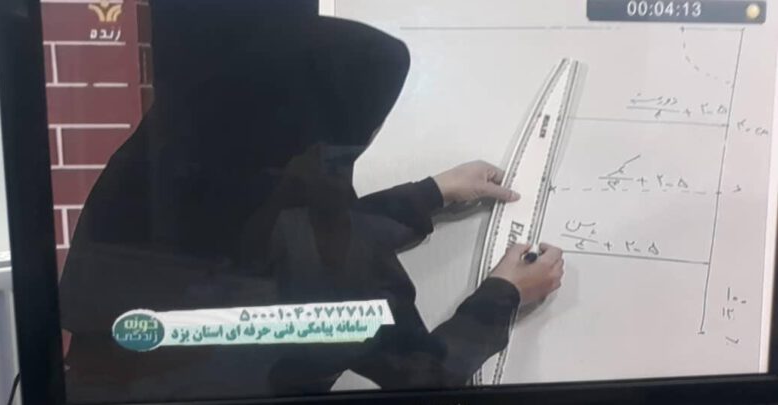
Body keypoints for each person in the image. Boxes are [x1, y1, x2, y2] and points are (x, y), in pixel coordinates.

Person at [57, 3, 564, 402]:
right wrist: (506, 293)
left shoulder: (153, 171)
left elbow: (281, 245)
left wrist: (431, 192)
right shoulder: (332, 253)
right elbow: (425, 374)